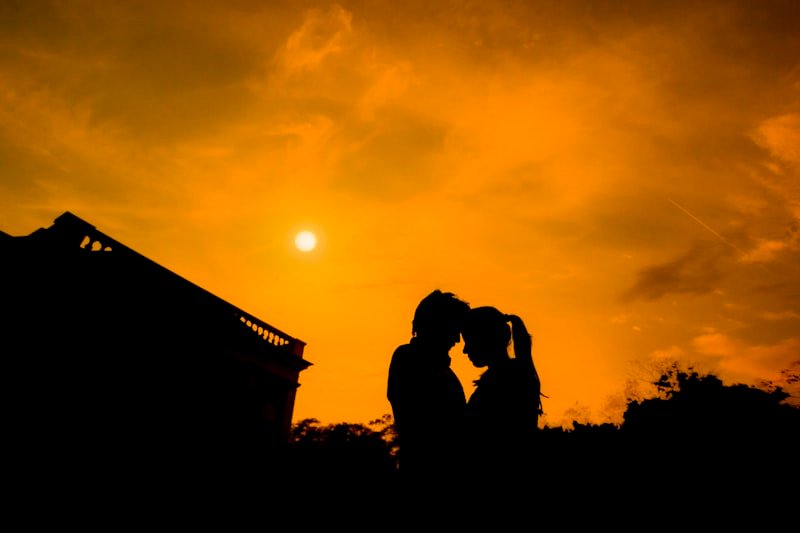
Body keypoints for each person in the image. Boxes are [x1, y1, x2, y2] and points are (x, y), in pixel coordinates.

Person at [387, 289, 471, 485]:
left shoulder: (444, 371)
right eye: (453, 329)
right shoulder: (408, 358)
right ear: (435, 326)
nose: (457, 340)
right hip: (426, 475)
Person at [461, 306, 543, 479]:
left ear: (487, 339)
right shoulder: (516, 376)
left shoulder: (504, 382)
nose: (465, 350)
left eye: (469, 340)